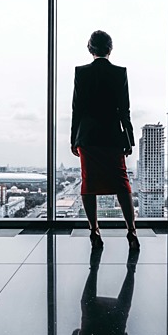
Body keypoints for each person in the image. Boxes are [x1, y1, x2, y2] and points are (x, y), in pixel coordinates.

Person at [70, 30, 140, 250]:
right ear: (111, 48)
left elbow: (76, 110)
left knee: (88, 182)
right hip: (112, 136)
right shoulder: (120, 73)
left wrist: (74, 138)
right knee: (121, 183)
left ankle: (94, 230)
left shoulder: (81, 73)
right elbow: (124, 110)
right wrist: (128, 137)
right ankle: (131, 231)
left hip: (88, 136)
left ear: (90, 49)